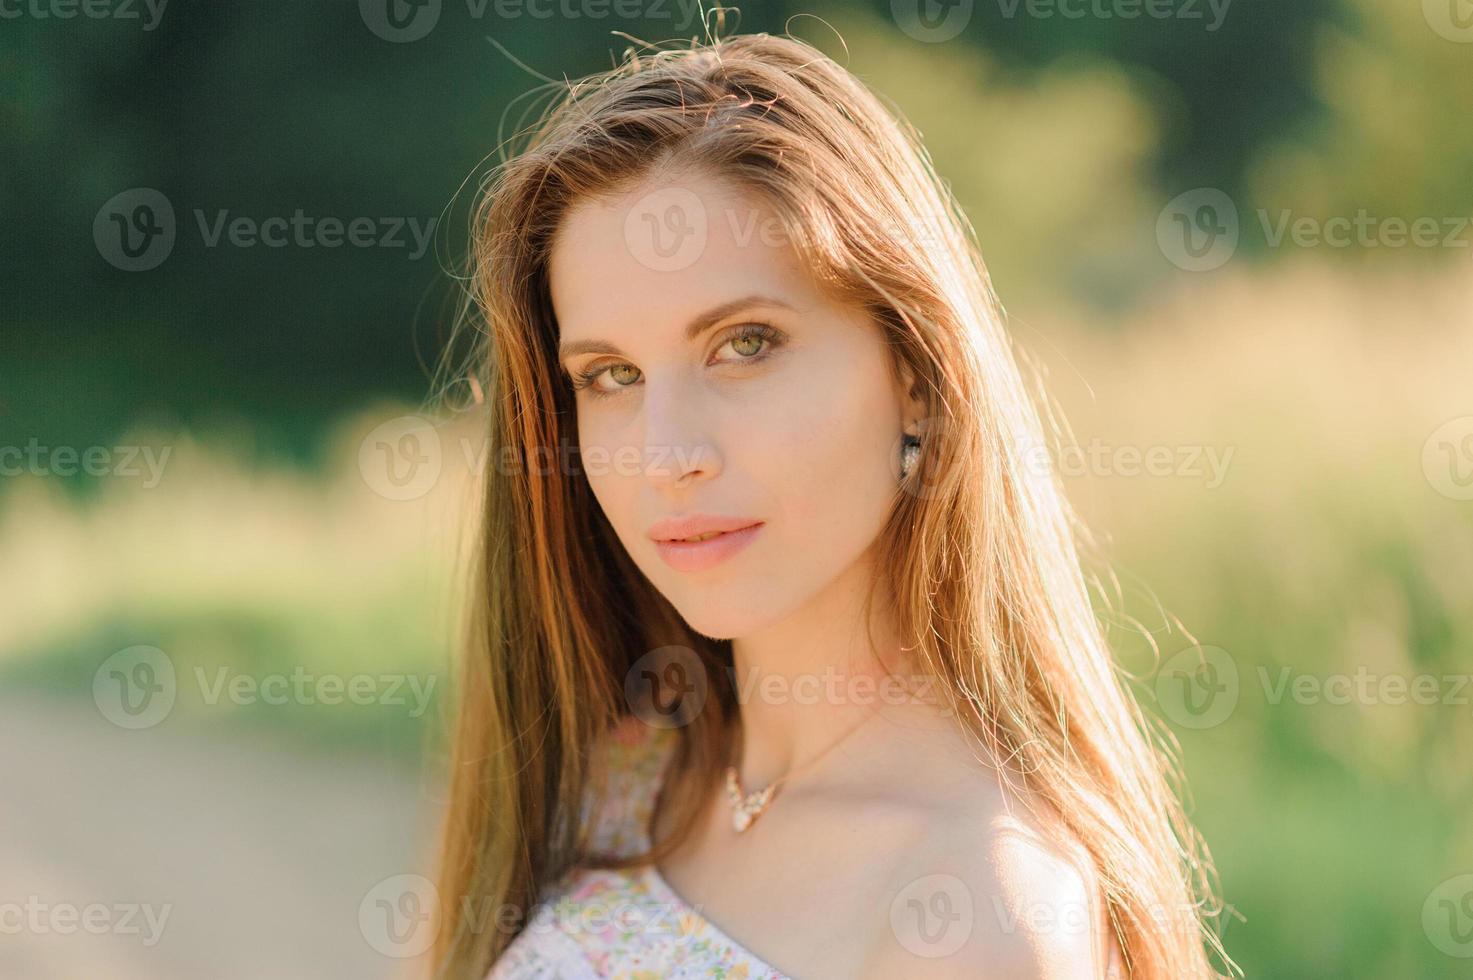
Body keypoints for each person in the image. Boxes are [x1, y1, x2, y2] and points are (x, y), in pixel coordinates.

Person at [428, 27, 1232, 980]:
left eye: (746, 344)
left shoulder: (973, 911)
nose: (668, 455)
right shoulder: (623, 764)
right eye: (610, 374)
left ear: (918, 382)